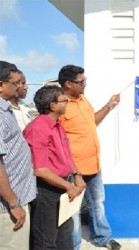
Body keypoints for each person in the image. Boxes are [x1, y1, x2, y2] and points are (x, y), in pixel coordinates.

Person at [58, 65, 121, 250]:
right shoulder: (60, 105)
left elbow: (93, 122)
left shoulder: (82, 99)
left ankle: (102, 237)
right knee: (74, 210)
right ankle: (74, 245)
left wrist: (109, 106)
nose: (85, 84)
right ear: (68, 84)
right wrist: (74, 171)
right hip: (73, 169)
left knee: (97, 203)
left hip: (94, 164)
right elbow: (58, 141)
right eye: (81, 81)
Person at [24, 85, 86, 249]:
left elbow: (66, 156)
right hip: (47, 191)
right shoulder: (38, 128)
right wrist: (68, 186)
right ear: (52, 105)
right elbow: (40, 169)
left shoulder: (57, 125)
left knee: (65, 239)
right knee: (46, 242)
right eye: (63, 100)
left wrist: (77, 176)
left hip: (63, 188)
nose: (67, 102)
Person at [0, 61, 37, 249]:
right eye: (15, 83)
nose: (19, 87)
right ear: (0, 85)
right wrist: (13, 203)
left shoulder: (5, 109)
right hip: (7, 207)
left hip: (16, 199)